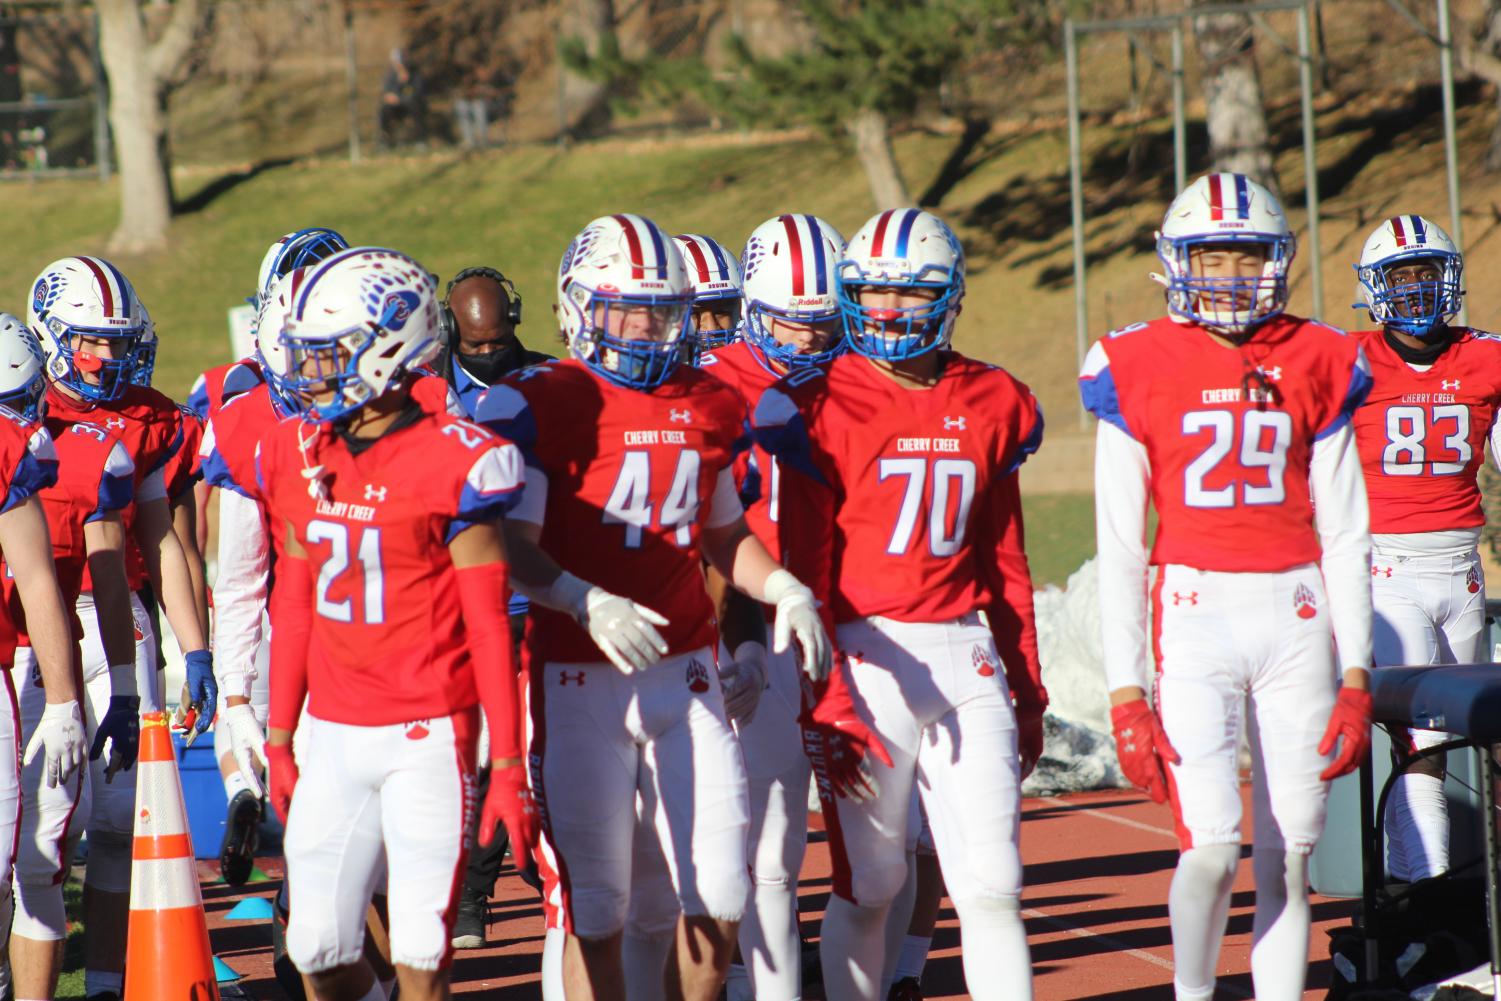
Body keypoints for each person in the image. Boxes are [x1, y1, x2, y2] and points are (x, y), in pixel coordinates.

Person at [472, 212, 830, 1001]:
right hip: (576, 680)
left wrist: (783, 587)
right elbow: (513, 546)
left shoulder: (708, 400)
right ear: (577, 306)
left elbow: (725, 533)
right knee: (597, 907)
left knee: (717, 898)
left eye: (658, 311)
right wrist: (582, 598)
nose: (641, 327)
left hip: (686, 675)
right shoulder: (541, 401)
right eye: (624, 308)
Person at [1079, 172, 1375, 1001]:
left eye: (1245, 255)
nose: (1228, 274)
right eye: (1211, 254)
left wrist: (1357, 676)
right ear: (1175, 261)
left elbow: (1348, 529)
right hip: (1192, 611)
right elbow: (1118, 545)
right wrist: (1125, 690)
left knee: (1292, 849)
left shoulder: (1320, 353)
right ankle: (1192, 992)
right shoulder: (1131, 360)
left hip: (1295, 612)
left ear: (1274, 261)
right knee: (1210, 844)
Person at [753, 207, 1046, 1001]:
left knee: (992, 883)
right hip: (861, 653)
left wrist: (1027, 688)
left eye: (909, 294)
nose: (887, 312)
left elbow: (1005, 557)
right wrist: (827, 696)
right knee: (872, 883)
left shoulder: (992, 396)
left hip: (963, 648)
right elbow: (805, 572)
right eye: (872, 293)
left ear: (947, 296)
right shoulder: (812, 401)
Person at [257, 246, 536, 1001]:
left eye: (328, 353)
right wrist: (280, 738)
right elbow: (293, 602)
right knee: (316, 948)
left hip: (430, 734)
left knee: (421, 948)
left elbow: (487, 626)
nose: (310, 372)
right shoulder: (297, 452)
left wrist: (506, 759)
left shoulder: (457, 459)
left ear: (390, 347)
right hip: (337, 730)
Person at [25, 256, 216, 1001]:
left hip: (112, 621)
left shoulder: (149, 416)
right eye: (90, 342)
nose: (107, 357)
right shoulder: (20, 407)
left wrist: (193, 648)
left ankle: (106, 981)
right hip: (21, 630)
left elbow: (163, 538)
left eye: (116, 341)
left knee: (118, 824)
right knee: (27, 838)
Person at [682, 221, 841, 1001]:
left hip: (831, 618)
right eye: (791, 318)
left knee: (813, 850)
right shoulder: (707, 386)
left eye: (823, 318)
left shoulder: (861, 372)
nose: (810, 337)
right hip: (733, 622)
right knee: (736, 847)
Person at [1348, 214, 1501, 883]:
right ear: (1375, 287)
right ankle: (1431, 894)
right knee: (1422, 740)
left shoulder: (1487, 355)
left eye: (1426, 273)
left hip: (1462, 570)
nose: (1415, 290)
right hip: (1386, 571)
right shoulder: (1345, 360)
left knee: (1472, 732)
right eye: (1399, 276)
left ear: (1450, 277)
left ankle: (1418, 893)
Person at [434, 265, 552, 950]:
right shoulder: (428, 391)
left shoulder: (548, 380)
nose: (490, 353)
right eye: (475, 346)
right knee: (480, 750)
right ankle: (475, 892)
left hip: (540, 588)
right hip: (470, 595)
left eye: (499, 338)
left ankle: (548, 871)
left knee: (544, 740)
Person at [0, 314, 109, 1001]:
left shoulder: (20, 451)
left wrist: (67, 700)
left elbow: (39, 578)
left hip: (19, 666)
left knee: (23, 861)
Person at [439, 267, 550, 417]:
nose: (487, 351)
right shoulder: (423, 388)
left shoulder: (552, 378)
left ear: (513, 322)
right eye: (475, 345)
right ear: (450, 331)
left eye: (498, 341)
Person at [379, 48, 428, 148]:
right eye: (396, 63)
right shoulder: (391, 75)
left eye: (400, 63)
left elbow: (416, 93)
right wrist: (392, 95)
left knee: (416, 108)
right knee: (384, 110)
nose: (399, 66)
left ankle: (420, 140)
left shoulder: (414, 74)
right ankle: (385, 141)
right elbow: (386, 92)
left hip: (411, 105)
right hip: (395, 106)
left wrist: (405, 83)